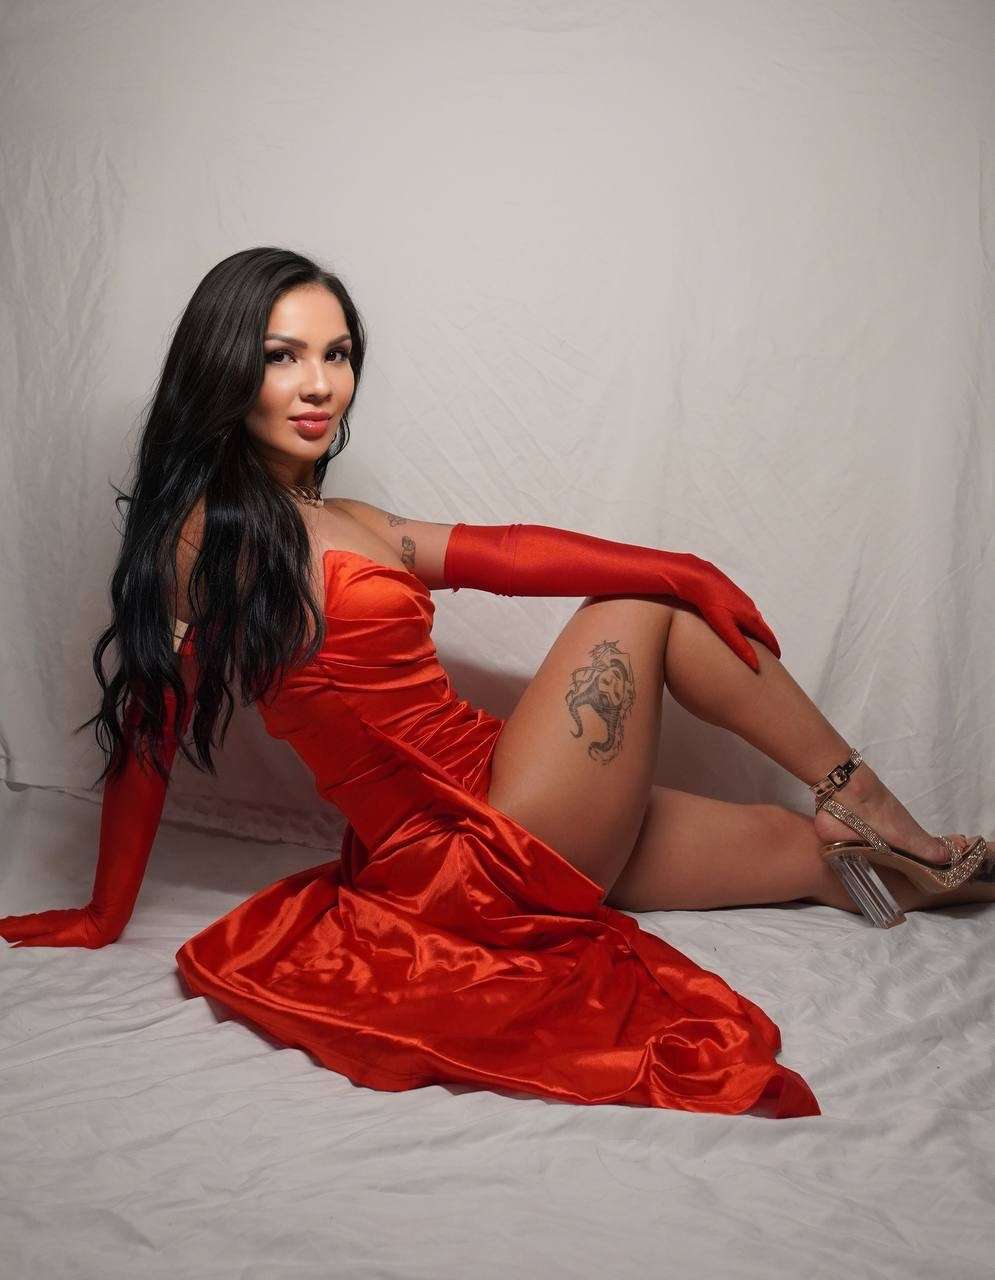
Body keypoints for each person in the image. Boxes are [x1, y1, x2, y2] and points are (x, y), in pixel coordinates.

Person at [2, 247, 990, 1121]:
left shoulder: (350, 517)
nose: (319, 385)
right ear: (223, 367)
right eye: (282, 355)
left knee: (806, 850)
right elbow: (149, 730)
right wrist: (102, 914)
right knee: (638, 605)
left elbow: (504, 551)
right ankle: (860, 786)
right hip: (475, 852)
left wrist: (685, 565)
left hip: (523, 805)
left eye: (337, 354)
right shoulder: (200, 541)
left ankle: (935, 860)